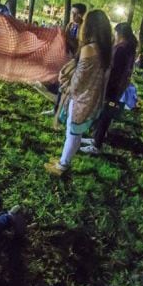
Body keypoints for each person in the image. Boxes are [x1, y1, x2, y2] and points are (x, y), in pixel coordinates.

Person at [45, 10, 113, 176]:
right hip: (92, 97)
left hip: (81, 98)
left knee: (72, 133)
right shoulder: (105, 49)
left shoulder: (89, 49)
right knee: (76, 133)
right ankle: (64, 161)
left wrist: (67, 87)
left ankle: (63, 165)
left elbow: (79, 78)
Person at [80, 22, 137, 155]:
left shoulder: (121, 49)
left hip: (111, 87)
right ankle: (95, 139)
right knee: (104, 114)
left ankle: (96, 145)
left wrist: (105, 84)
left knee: (105, 114)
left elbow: (114, 70)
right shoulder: (127, 48)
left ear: (120, 34)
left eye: (115, 33)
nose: (114, 35)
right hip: (116, 87)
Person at [42, 3, 88, 116]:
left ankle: (65, 111)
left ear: (81, 15)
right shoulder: (70, 25)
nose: (73, 15)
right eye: (72, 13)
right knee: (62, 84)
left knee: (70, 87)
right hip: (67, 59)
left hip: (76, 61)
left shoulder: (84, 29)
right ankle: (58, 110)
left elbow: (81, 46)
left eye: (75, 13)